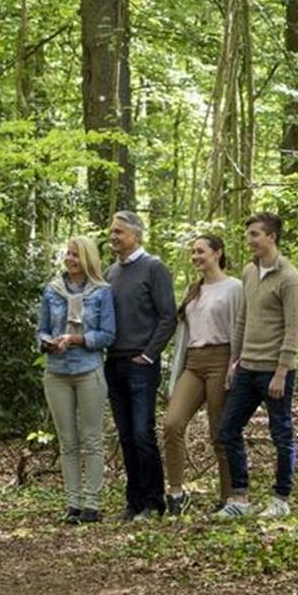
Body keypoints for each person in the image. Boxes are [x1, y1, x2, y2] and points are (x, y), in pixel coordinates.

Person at [215, 212, 298, 520]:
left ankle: (281, 498)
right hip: (247, 367)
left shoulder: (290, 278)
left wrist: (282, 371)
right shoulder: (249, 273)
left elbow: (294, 328)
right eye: (249, 234)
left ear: (272, 237)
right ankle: (239, 498)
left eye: (255, 234)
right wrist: (234, 361)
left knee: (280, 432)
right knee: (228, 429)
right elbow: (242, 319)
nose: (250, 240)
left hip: (274, 370)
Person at [36, 236, 116, 524]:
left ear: (87, 259)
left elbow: (108, 335)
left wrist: (77, 339)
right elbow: (41, 330)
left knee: (92, 439)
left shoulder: (102, 292)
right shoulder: (52, 291)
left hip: (88, 370)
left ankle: (92, 504)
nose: (70, 259)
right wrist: (48, 343)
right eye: (68, 254)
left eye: (76, 255)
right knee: (67, 441)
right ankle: (73, 504)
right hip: (57, 372)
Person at [104, 210, 176, 521]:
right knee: (125, 435)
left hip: (141, 364)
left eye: (119, 231)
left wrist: (149, 354)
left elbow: (168, 315)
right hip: (114, 361)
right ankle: (133, 502)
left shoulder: (154, 268)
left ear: (136, 235)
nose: (113, 236)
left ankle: (153, 501)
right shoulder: (110, 273)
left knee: (142, 432)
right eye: (112, 231)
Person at [162, 234, 241, 517]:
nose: (195, 256)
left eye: (201, 251)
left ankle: (229, 497)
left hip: (222, 359)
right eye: (193, 252)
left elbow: (239, 330)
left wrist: (236, 366)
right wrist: (175, 374)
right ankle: (176, 492)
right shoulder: (193, 289)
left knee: (219, 431)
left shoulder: (234, 288)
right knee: (172, 424)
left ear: (217, 253)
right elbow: (184, 336)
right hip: (193, 363)